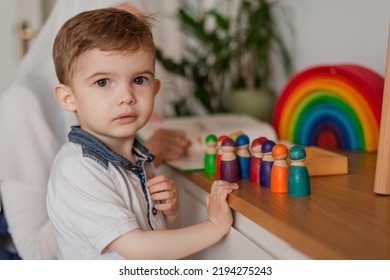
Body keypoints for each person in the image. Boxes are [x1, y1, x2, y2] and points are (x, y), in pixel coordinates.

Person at [0, 0, 190, 260]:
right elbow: (36, 257)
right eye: (103, 81)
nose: (126, 95)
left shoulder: (120, 105)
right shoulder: (19, 104)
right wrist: (122, 167)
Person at [46, 7, 238, 260]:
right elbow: (138, 249)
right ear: (69, 98)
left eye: (139, 80)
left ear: (155, 88)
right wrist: (213, 227)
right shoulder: (79, 169)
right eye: (103, 82)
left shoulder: (137, 159)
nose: (126, 97)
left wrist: (169, 213)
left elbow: (154, 239)